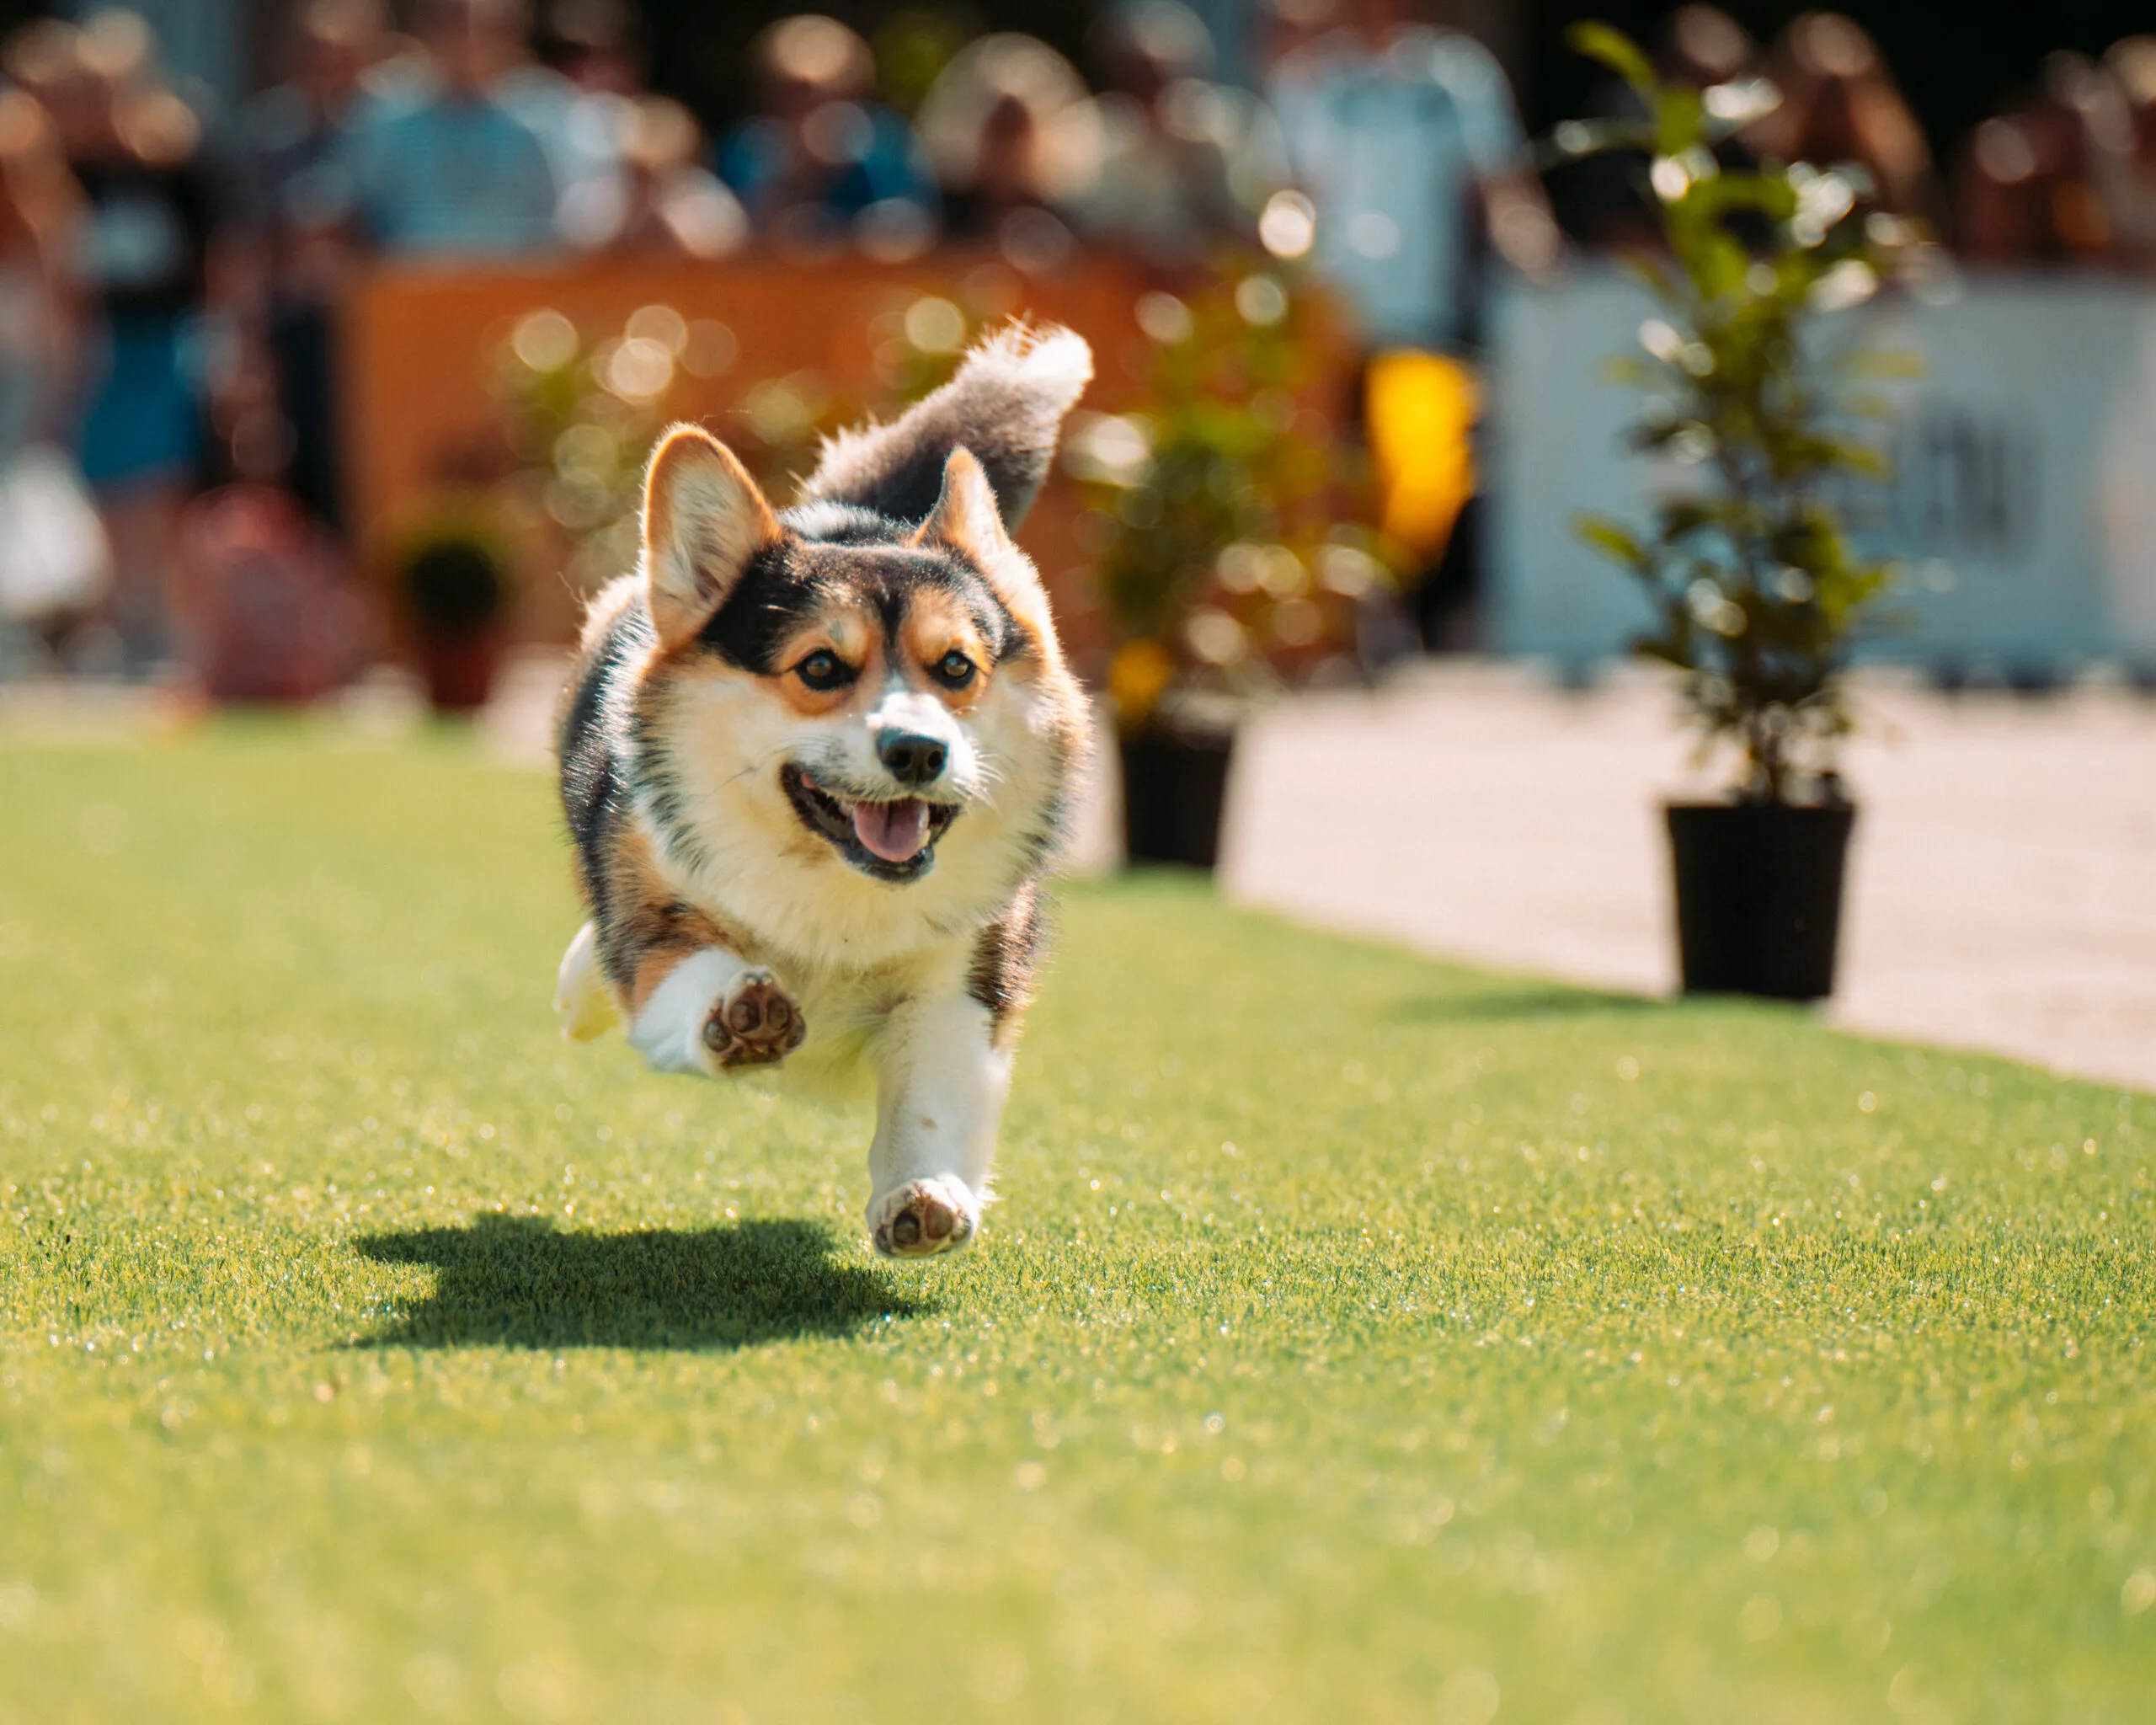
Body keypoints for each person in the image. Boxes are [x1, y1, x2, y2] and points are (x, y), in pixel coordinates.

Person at [26, 11, 223, 671]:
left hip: (167, 343)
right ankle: (116, 623)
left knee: (162, 484)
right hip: (98, 349)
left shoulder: (176, 164)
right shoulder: (67, 174)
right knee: (104, 484)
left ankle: (162, 625)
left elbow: (217, 261)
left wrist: (230, 346)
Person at [232, 0, 384, 530]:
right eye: (319, 54)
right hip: (299, 330)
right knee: (308, 476)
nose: (330, 67)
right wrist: (250, 348)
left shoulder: (392, 130)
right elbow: (251, 246)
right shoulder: (270, 136)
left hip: (379, 328)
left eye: (344, 55)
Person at [1072, 0, 1288, 267]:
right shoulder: (1104, 141)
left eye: (1160, 78)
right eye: (1135, 78)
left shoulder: (1235, 126)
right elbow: (1096, 229)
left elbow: (1261, 218)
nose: (1151, 93)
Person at [340, 0, 560, 259]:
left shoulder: (544, 117)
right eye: (452, 23)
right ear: (427, 30)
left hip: (517, 279)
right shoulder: (386, 120)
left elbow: (563, 224)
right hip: (408, 279)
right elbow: (355, 212)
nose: (468, 39)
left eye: (483, 26)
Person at [716, 14, 939, 260]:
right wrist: (798, 177)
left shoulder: (887, 143)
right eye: (798, 91)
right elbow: (735, 234)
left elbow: (917, 225)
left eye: (832, 91)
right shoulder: (750, 149)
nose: (814, 105)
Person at [914, 34, 1102, 271]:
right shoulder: (946, 212)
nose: (1007, 142)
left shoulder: (1061, 217)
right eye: (1000, 128)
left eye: (1016, 128)